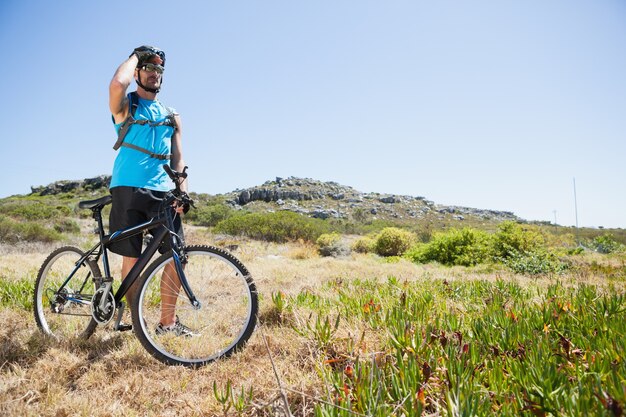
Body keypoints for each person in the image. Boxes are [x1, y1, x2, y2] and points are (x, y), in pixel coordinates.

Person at [108, 45, 192, 336]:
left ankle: (167, 324)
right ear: (139, 72)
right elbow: (118, 83)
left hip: (163, 192)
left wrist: (183, 191)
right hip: (128, 187)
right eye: (149, 68)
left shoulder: (172, 114)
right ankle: (134, 323)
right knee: (132, 259)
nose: (154, 74)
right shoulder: (126, 105)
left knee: (177, 255)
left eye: (159, 70)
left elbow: (178, 158)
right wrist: (135, 56)